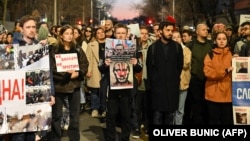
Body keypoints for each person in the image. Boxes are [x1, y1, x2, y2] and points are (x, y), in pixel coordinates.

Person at [11, 15, 55, 141]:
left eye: (33, 27)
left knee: (33, 131)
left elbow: (47, 71)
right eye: (28, 27)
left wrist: (51, 93)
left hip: (36, 94)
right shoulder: (13, 47)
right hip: (18, 95)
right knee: (18, 131)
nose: (31, 30)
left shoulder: (41, 48)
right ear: (21, 29)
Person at [98, 23, 142, 141]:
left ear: (127, 34)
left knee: (126, 116)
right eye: (118, 33)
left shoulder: (133, 48)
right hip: (112, 89)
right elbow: (100, 66)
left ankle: (124, 138)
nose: (121, 35)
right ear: (114, 33)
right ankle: (111, 138)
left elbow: (140, 68)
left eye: (123, 33)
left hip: (127, 89)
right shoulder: (108, 48)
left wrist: (136, 63)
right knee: (111, 116)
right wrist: (105, 64)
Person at [48, 25, 89, 141]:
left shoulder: (77, 48)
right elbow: (52, 68)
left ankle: (74, 138)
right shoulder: (54, 49)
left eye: (71, 33)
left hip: (75, 86)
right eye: (66, 33)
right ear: (61, 35)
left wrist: (79, 73)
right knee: (56, 116)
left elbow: (84, 63)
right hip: (59, 86)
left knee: (75, 116)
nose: (69, 36)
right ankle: (55, 137)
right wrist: (68, 75)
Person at [146, 21, 183, 125]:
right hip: (157, 89)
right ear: (160, 31)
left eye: (172, 30)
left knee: (170, 117)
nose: (170, 33)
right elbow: (149, 69)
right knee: (157, 116)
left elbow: (179, 66)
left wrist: (173, 79)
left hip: (172, 88)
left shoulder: (177, 47)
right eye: (167, 30)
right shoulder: (152, 48)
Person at [203, 32, 234, 125]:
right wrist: (225, 71)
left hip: (228, 94)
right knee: (214, 121)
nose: (221, 41)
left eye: (224, 39)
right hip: (213, 94)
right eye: (219, 39)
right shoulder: (210, 55)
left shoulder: (232, 55)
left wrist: (238, 61)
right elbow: (208, 73)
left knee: (227, 121)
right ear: (215, 40)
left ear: (227, 40)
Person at [85, 27, 106, 118]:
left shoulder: (110, 43)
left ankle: (104, 109)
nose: (101, 34)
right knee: (95, 91)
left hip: (107, 69)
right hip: (95, 69)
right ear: (95, 35)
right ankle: (95, 108)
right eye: (98, 33)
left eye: (102, 32)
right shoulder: (91, 45)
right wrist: (88, 71)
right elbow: (88, 59)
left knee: (105, 91)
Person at [172, 31, 191, 125]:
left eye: (178, 37)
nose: (176, 39)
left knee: (180, 109)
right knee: (171, 109)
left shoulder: (187, 50)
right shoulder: (168, 50)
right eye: (174, 37)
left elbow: (185, 64)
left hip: (183, 83)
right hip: (171, 83)